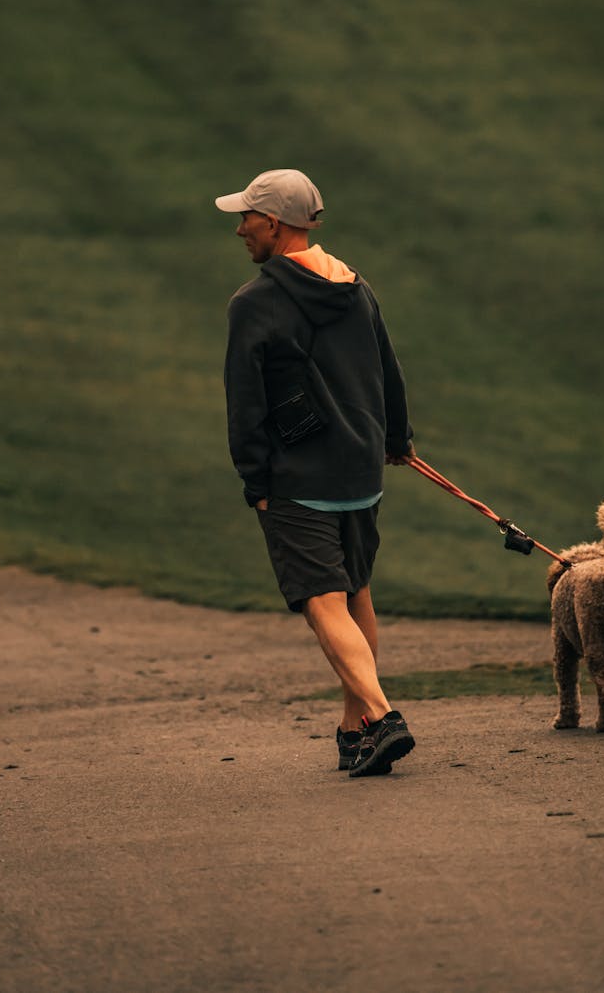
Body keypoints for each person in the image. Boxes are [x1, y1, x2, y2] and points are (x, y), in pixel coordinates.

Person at [217, 169, 416, 777]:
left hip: (298, 481)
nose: (239, 228)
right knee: (355, 595)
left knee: (322, 602)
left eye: (246, 217)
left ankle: (384, 718)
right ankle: (353, 732)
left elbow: (245, 404)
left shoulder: (254, 304)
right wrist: (396, 440)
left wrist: (256, 482)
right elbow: (388, 368)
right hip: (360, 472)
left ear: (273, 224)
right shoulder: (355, 287)